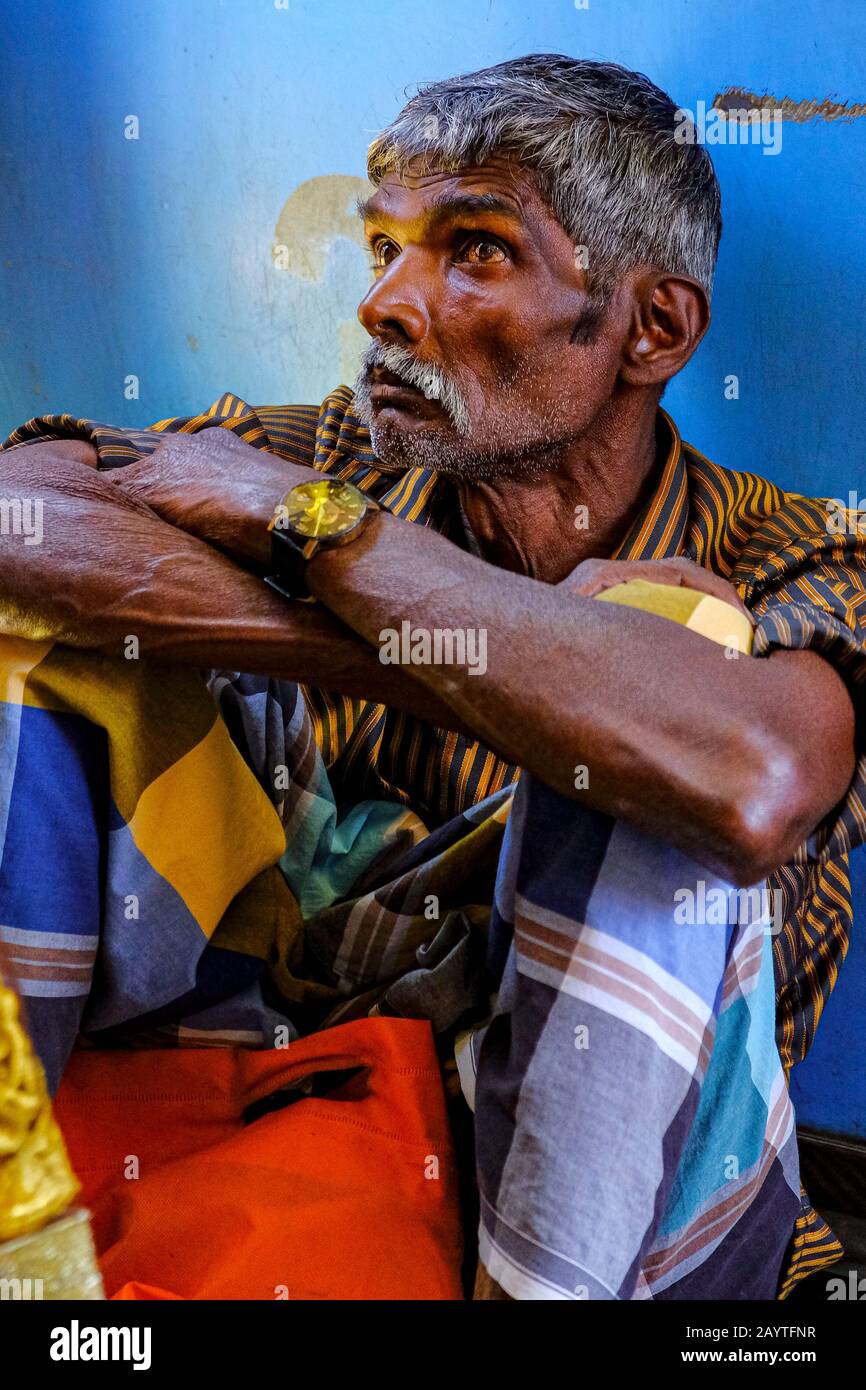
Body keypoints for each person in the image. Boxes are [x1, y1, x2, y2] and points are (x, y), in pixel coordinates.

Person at [1, 54, 864, 1300]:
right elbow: (22, 512)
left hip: (631, 1206)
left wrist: (340, 551)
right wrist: (404, 641)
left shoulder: (798, 555)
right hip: (305, 1099)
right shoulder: (324, 456)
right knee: (33, 649)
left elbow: (743, 780)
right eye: (383, 248)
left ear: (653, 329)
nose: (387, 306)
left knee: (669, 661)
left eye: (472, 252)